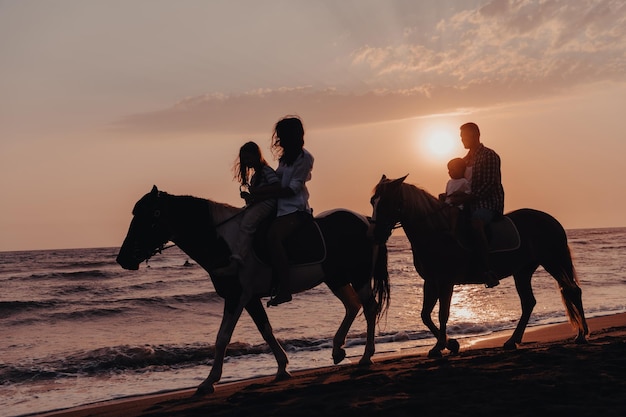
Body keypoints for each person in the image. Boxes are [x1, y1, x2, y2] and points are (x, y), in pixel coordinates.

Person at [254, 116, 314, 306]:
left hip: (295, 209)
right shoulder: (285, 159)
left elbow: (292, 189)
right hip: (279, 208)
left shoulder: (305, 158)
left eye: (281, 136)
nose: (278, 140)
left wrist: (264, 192)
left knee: (273, 237)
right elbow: (278, 182)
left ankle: (285, 288)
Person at [448, 122, 504, 288]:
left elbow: (490, 184)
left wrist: (466, 198)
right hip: (467, 204)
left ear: (475, 135)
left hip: (487, 203)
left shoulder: (489, 156)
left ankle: (487, 270)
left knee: (477, 223)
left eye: (464, 136)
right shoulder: (464, 160)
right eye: (461, 137)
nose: (462, 140)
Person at [216, 141, 279, 275]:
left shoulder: (266, 171)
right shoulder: (255, 176)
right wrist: (249, 197)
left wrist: (256, 192)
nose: (247, 161)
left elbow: (276, 186)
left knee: (247, 224)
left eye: (248, 158)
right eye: (244, 159)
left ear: (257, 156)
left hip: (268, 202)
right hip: (260, 202)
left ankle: (237, 261)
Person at [439, 157, 470, 234]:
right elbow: (447, 192)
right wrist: (443, 196)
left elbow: (468, 192)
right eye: (449, 170)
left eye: (452, 169)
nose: (449, 172)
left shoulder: (464, 182)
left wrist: (460, 195)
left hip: (457, 205)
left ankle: (453, 229)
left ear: (461, 169)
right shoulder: (449, 182)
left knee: (454, 211)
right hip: (447, 203)